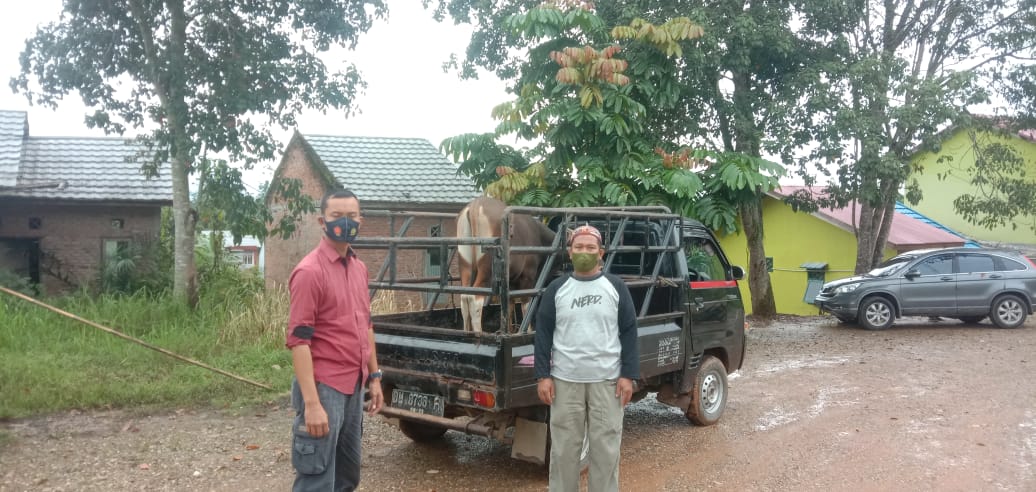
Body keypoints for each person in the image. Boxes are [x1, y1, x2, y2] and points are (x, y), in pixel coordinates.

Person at [285, 189, 384, 492]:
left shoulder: (359, 268)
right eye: (337, 216)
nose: (345, 223)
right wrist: (313, 404)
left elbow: (364, 325)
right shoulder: (309, 272)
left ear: (361, 220)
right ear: (321, 220)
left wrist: (375, 376)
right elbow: (299, 342)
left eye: (352, 216)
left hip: (354, 384)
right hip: (324, 387)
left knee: (346, 477)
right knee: (317, 478)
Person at [534, 224, 639, 492]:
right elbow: (543, 333)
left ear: (601, 252)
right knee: (564, 450)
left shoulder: (615, 287)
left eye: (590, 248)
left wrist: (628, 375)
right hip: (565, 382)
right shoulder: (557, 289)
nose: (584, 252)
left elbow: (628, 332)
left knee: (605, 448)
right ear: (569, 252)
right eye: (578, 247)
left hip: (607, 381)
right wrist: (543, 375)